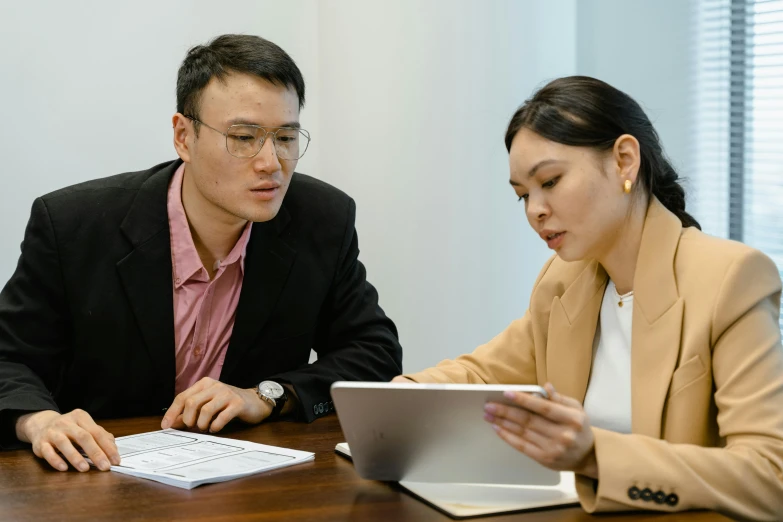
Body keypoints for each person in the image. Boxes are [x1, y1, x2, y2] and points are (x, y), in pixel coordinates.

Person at [0, 34, 402, 473]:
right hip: (96, 474)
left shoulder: (321, 219)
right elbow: (9, 356)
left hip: (249, 483)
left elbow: (374, 354)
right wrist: (36, 421)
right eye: (244, 137)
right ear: (183, 136)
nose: (271, 161)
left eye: (286, 137)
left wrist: (267, 395)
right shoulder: (75, 225)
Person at [394, 76, 783, 519]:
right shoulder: (564, 280)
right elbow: (483, 373)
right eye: (522, 195)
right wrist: (398, 396)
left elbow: (770, 476)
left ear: (624, 161)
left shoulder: (731, 277)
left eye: (551, 181)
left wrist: (595, 454)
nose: (534, 210)